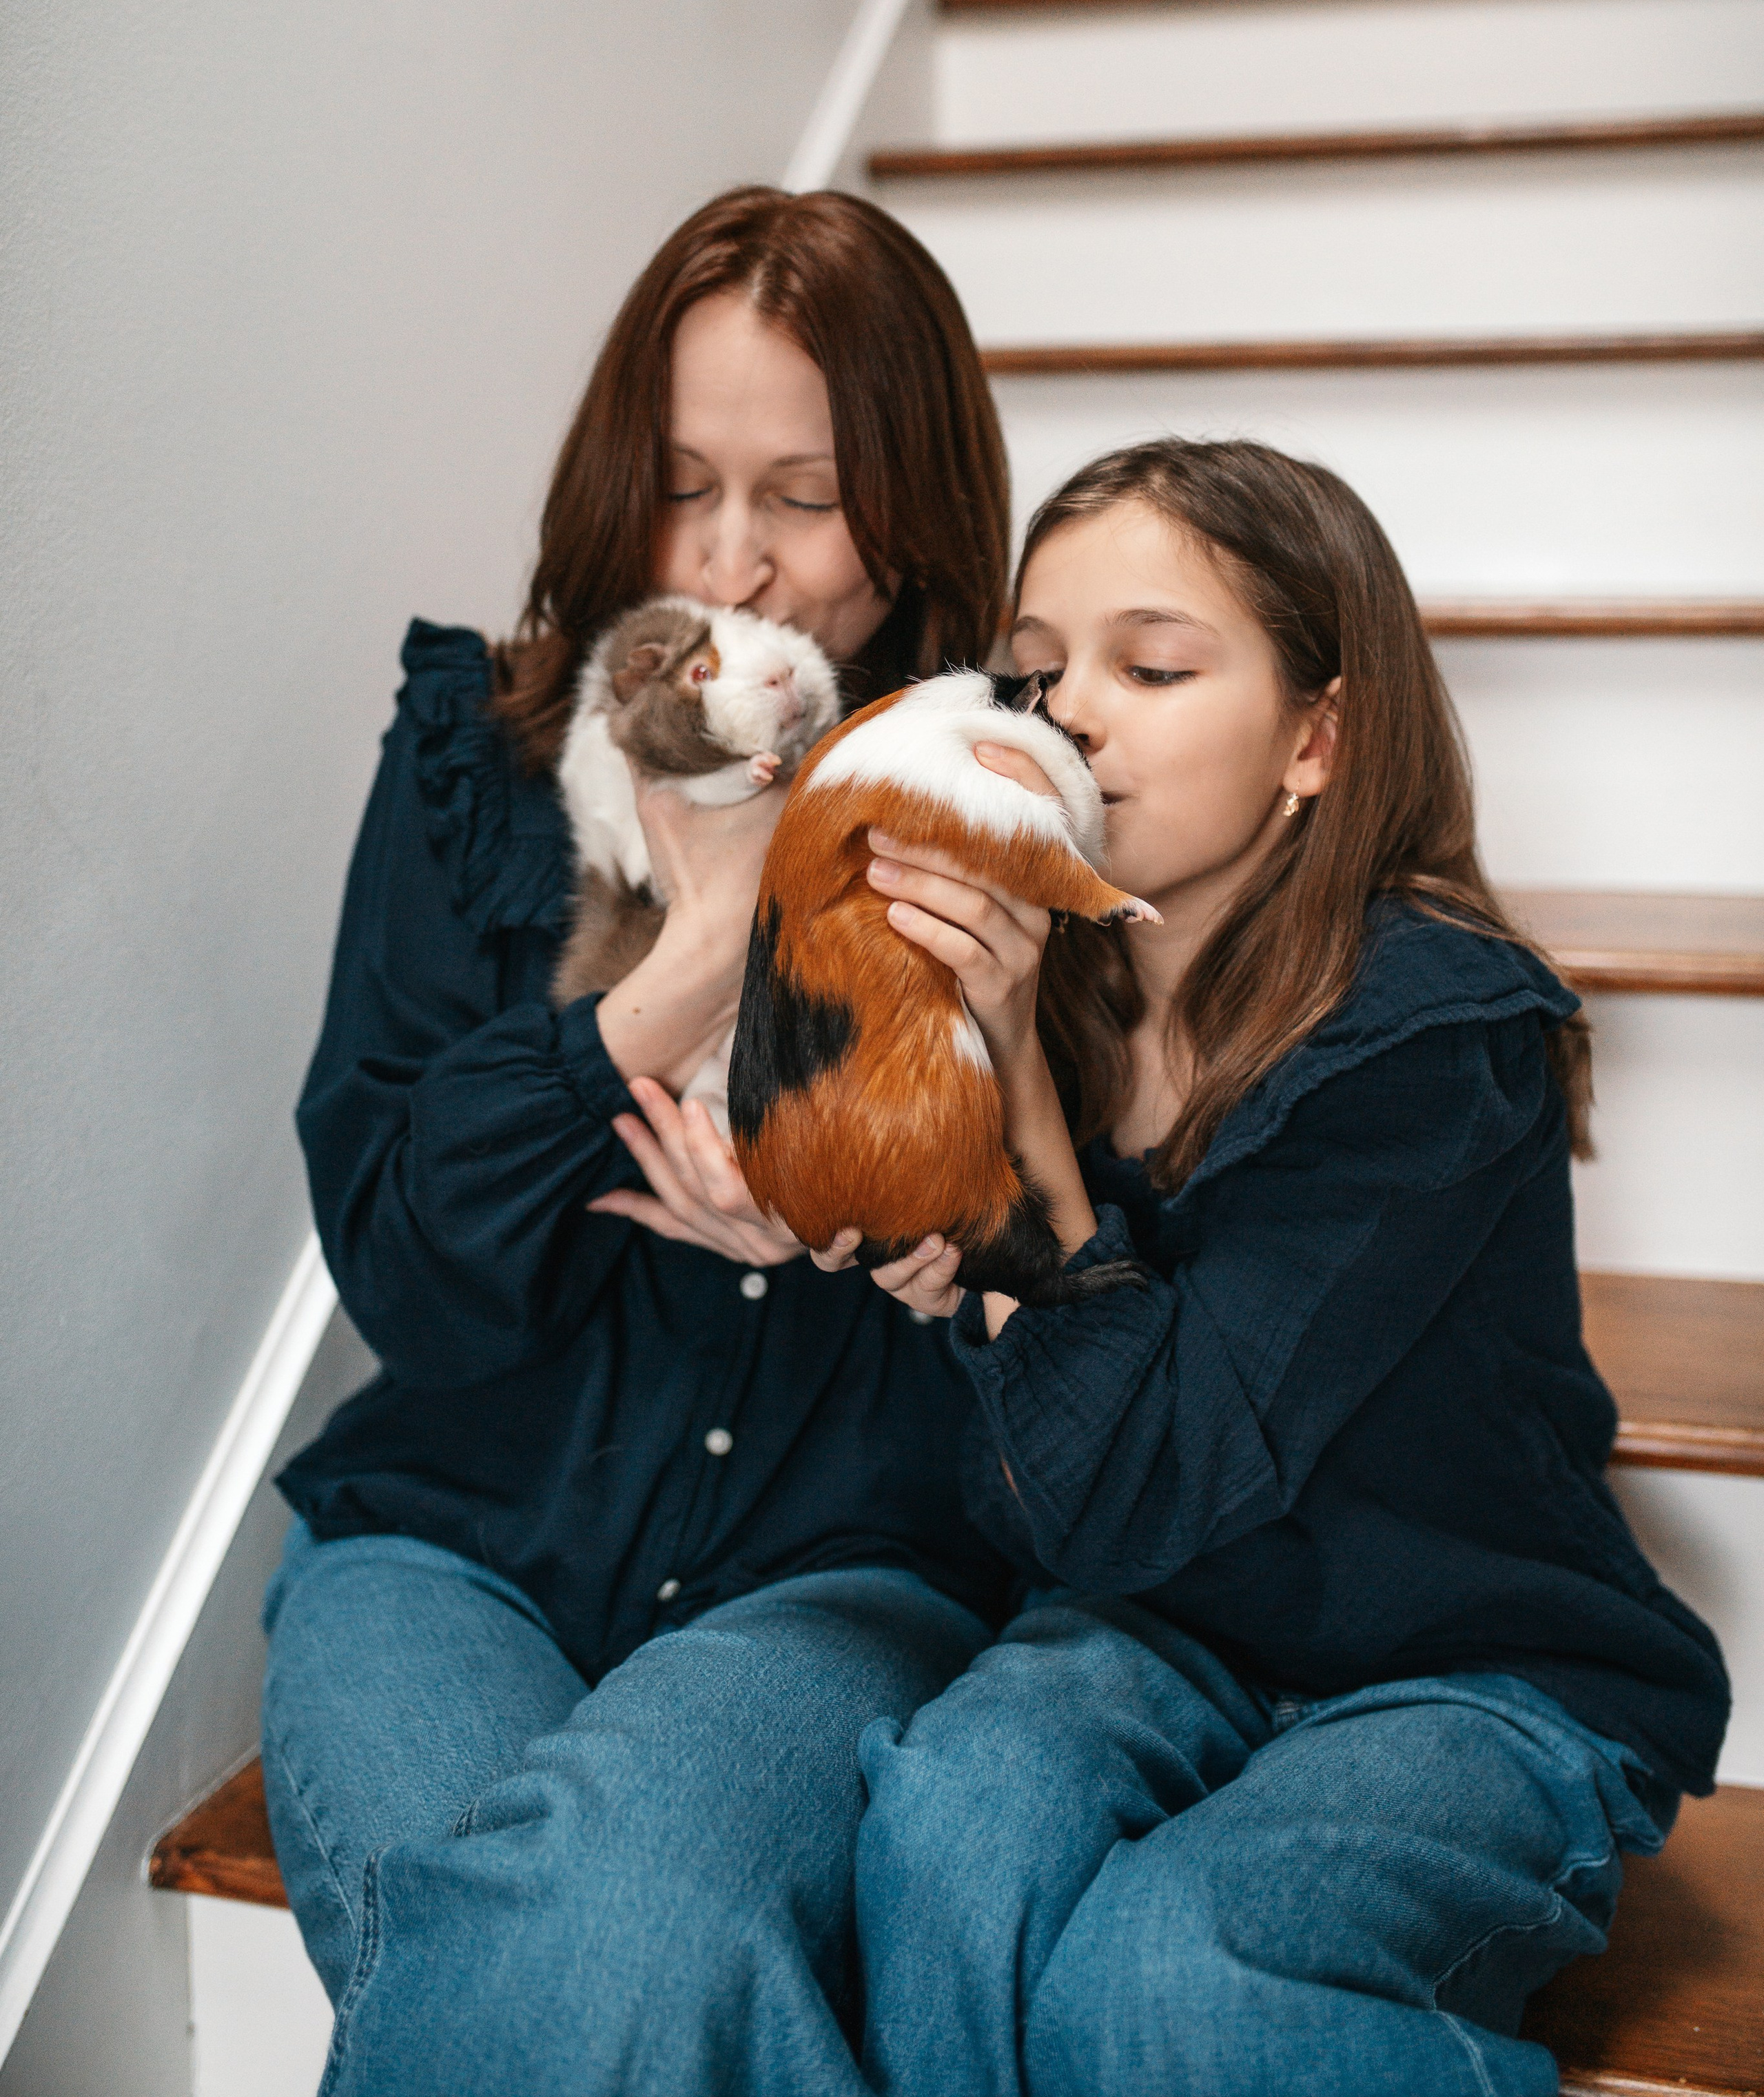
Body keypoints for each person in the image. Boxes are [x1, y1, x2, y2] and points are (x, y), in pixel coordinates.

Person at [812, 439, 1729, 2097]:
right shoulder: (1061, 991)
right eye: (1034, 671)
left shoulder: (1435, 1031)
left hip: (1470, 1664)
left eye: (1150, 666)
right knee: (949, 1818)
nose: (1067, 712)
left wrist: (1019, 1152)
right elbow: (1043, 1503)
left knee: (1167, 1969)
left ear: (1316, 736)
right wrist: (951, 1247)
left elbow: (1144, 1471)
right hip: (1167, 1631)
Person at [260, 186, 1021, 2097]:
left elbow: (1080, 1291)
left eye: (806, 493)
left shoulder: (1008, 801)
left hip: (832, 1575)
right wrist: (698, 947)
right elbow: (412, 1267)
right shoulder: (479, 754)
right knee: (574, 1941)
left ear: (914, 513)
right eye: (685, 484)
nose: (736, 565)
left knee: (615, 1924)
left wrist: (872, 1230)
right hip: (452, 1552)